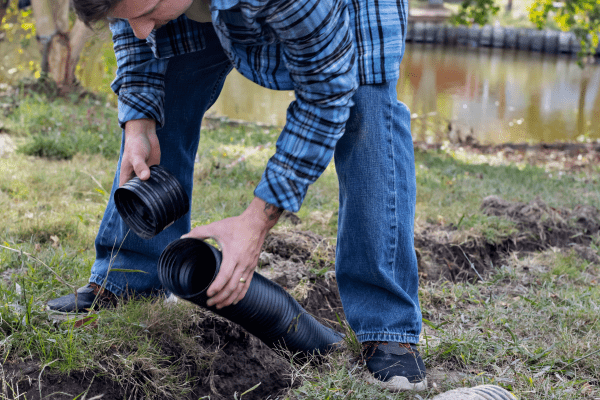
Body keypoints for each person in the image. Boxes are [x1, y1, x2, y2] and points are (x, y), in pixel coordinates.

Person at [47, 0, 426, 392]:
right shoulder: (140, 9)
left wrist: (257, 220)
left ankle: (388, 327)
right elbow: (131, 26)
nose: (139, 29)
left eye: (147, 11)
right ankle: (131, 275)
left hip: (339, 14)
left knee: (365, 109)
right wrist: (139, 120)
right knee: (169, 82)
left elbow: (328, 92)